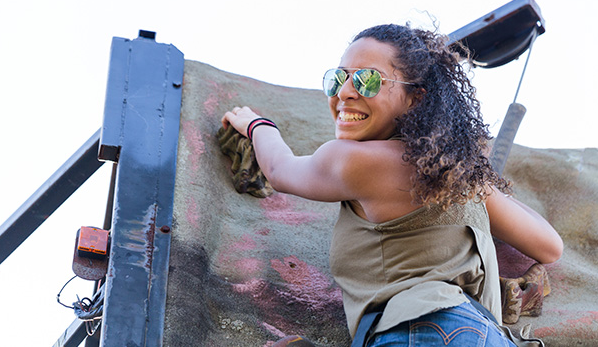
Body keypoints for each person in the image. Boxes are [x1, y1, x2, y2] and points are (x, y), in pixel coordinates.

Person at [222, 23, 563, 347]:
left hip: (424, 331)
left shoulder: (355, 160)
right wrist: (478, 178)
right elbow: (549, 247)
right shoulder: (459, 180)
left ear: (415, 98)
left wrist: (257, 125)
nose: (344, 92)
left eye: (368, 80)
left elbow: (280, 169)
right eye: (338, 78)